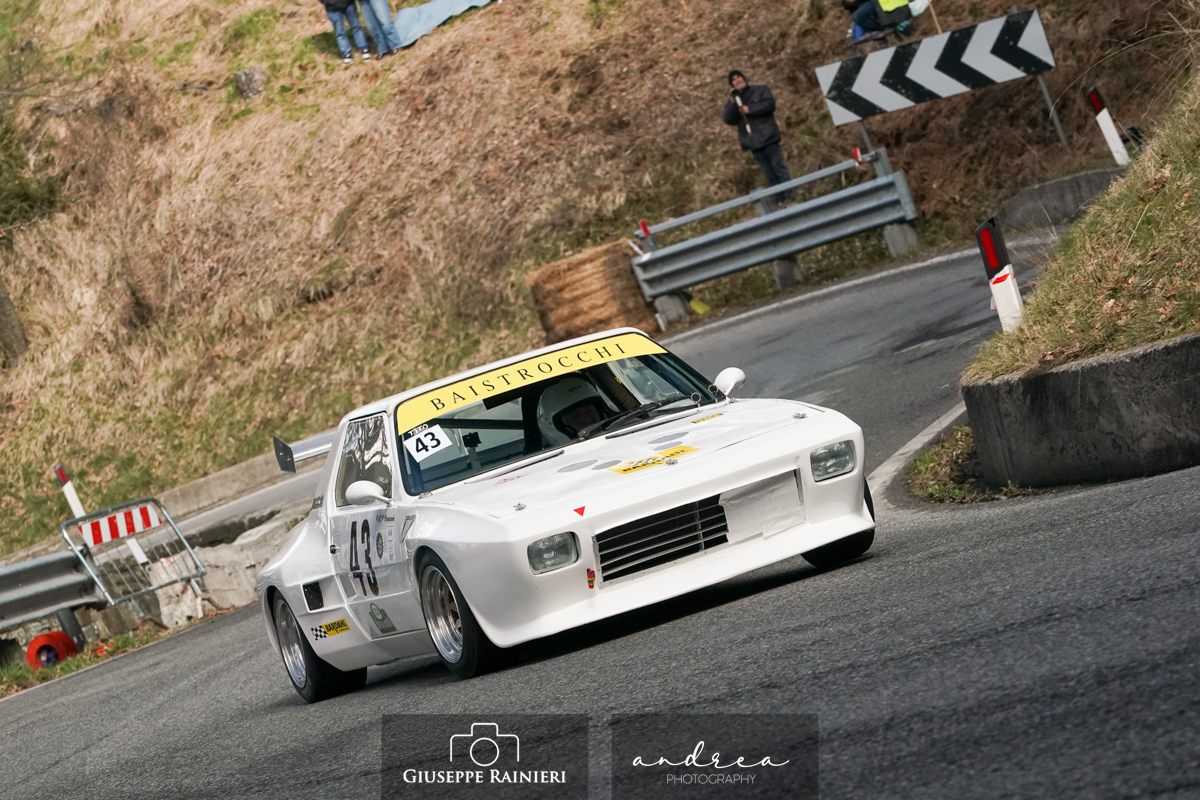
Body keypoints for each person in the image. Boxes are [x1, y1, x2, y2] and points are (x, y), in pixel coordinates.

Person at [722, 70, 793, 205]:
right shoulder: (734, 100)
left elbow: (770, 105)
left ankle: (791, 196)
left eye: (739, 77)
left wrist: (750, 109)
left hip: (768, 137)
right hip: (752, 142)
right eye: (734, 80)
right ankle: (780, 200)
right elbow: (728, 119)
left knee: (778, 167)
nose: (737, 80)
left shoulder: (760, 90)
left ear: (744, 78)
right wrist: (731, 103)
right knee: (768, 173)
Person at [321, 0, 372, 65]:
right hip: (332, 9)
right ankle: (347, 54)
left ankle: (364, 49)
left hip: (349, 4)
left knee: (356, 26)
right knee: (339, 32)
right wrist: (329, 2)